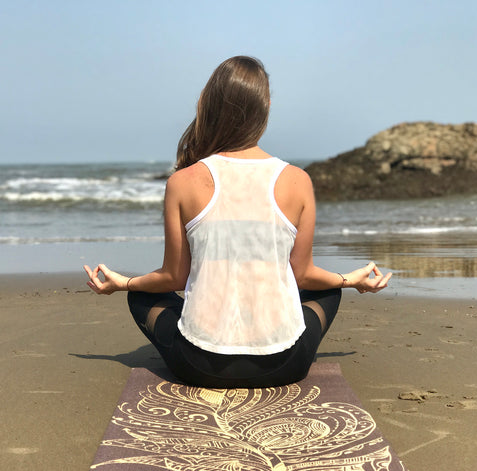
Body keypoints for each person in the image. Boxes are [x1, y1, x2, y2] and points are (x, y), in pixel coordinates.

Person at [84, 56, 391, 388]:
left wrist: (124, 283)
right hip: (286, 365)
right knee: (328, 289)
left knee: (140, 296)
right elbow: (303, 275)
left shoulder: (183, 182)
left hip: (199, 366)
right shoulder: (297, 180)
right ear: (266, 107)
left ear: (210, 106)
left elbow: (174, 277)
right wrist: (348, 279)